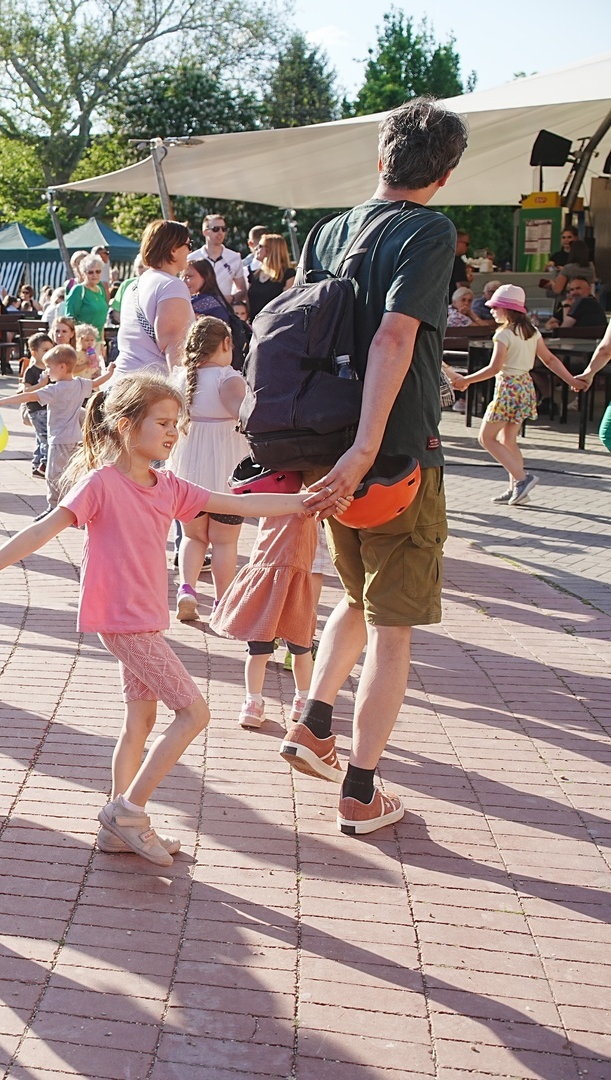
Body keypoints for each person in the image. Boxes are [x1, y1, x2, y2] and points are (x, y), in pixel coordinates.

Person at [0, 374, 323, 865]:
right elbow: (42, 530)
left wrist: (308, 502)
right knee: (195, 713)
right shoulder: (100, 483)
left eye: (176, 423)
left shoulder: (168, 486)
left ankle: (117, 828)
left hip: (144, 620)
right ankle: (129, 813)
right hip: (122, 622)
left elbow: (239, 504)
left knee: (140, 720)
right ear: (124, 425)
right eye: (162, 423)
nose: (173, 432)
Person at [290, 97, 470, 837]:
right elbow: (394, 337)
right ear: (445, 174)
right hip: (394, 457)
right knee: (393, 626)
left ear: (380, 158)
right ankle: (360, 792)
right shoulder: (429, 230)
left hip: (326, 451)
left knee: (356, 597)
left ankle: (312, 723)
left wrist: (340, 451)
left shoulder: (328, 231)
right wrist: (368, 447)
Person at [210, 471, 328, 730]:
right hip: (295, 587)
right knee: (301, 649)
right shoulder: (306, 503)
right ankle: (303, 701)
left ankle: (252, 703)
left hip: (264, 587)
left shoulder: (266, 503)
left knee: (258, 652)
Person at [451, 284, 585, 506]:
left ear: (507, 309)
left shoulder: (503, 334)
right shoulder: (531, 331)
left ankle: (522, 479)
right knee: (508, 439)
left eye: (495, 307)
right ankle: (516, 487)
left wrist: (466, 380)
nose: (491, 310)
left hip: (508, 389)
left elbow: (495, 368)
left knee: (486, 438)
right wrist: (571, 380)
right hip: (525, 387)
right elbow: (550, 359)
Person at [167, 318, 249, 621]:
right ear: (226, 343)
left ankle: (187, 589)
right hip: (226, 471)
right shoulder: (228, 378)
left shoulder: (180, 378)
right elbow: (243, 414)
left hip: (188, 469)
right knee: (224, 541)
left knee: (193, 536)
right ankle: (221, 602)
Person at [0, 343, 102, 507]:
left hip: (59, 440)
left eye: (48, 367)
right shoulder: (80, 383)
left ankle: (55, 507)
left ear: (62, 367)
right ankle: (74, 504)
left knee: (53, 475)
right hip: (76, 439)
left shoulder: (55, 389)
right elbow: (97, 383)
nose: (46, 371)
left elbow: (28, 396)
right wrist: (110, 372)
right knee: (71, 473)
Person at [113, 221, 193, 381]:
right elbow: (174, 345)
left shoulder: (133, 285)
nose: (190, 251)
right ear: (173, 249)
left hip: (123, 380)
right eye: (188, 245)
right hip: (151, 385)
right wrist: (183, 389)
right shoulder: (172, 285)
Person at [190, 214, 248, 302]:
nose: (220, 233)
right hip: (198, 306)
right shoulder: (192, 259)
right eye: (215, 229)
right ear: (205, 232)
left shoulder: (234, 257)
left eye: (224, 229)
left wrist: (231, 299)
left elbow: (242, 290)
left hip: (225, 308)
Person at [19, 332, 52, 477]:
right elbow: (25, 391)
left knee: (40, 438)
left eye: (51, 349)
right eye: (45, 350)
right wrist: (41, 384)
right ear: (34, 353)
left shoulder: (51, 369)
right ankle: (45, 464)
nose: (49, 353)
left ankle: (37, 463)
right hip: (37, 410)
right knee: (47, 437)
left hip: (48, 408)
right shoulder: (31, 371)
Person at [245, 234, 295, 321]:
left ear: (271, 250)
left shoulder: (288, 275)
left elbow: (288, 303)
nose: (256, 248)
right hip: (255, 324)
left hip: (277, 323)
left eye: (260, 246)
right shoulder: (254, 275)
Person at [61, 258, 109, 330]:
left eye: (98, 271)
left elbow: (101, 322)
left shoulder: (100, 290)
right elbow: (69, 318)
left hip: (98, 336)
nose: (94, 275)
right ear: (83, 274)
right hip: (82, 335)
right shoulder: (78, 289)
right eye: (90, 272)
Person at [184, 258, 235, 324]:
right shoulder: (217, 298)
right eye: (183, 276)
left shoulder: (204, 301)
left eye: (189, 276)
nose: (183, 281)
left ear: (205, 276)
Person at [448, 230, 471, 300]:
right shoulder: (458, 262)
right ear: (457, 242)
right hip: (452, 300)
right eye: (466, 244)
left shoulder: (442, 259)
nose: (467, 247)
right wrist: (467, 281)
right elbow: (462, 287)